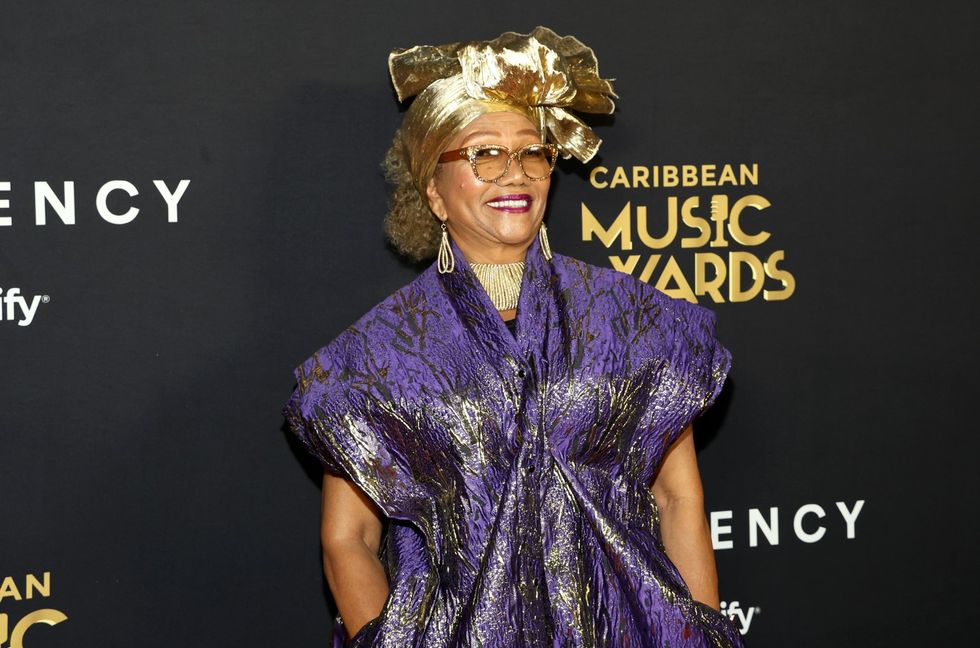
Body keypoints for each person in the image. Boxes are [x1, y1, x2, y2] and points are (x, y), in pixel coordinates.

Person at [283, 26, 744, 647]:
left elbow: (678, 497)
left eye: (532, 152)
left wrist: (701, 635)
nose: (515, 173)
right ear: (433, 193)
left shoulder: (634, 320)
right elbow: (348, 538)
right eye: (483, 155)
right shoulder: (377, 357)